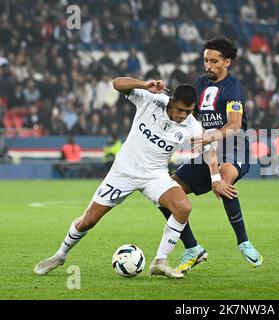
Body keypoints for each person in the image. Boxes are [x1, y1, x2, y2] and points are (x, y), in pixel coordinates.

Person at [34, 79, 236, 279]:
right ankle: (60, 256)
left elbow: (210, 149)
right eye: (180, 110)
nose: (183, 115)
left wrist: (215, 178)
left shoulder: (191, 125)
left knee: (183, 207)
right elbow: (116, 83)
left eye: (188, 112)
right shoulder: (150, 100)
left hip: (154, 176)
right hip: (123, 172)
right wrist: (144, 85)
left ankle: (160, 261)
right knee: (88, 220)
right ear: (171, 101)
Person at [158, 36, 263, 273]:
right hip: (207, 150)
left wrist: (211, 137)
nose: (208, 66)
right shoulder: (200, 84)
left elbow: (235, 124)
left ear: (227, 62)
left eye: (214, 61)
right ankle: (192, 248)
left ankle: (244, 242)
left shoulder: (233, 87)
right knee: (165, 193)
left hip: (234, 147)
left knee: (224, 178)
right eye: (206, 60)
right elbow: (189, 116)